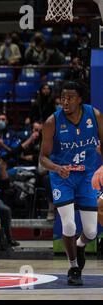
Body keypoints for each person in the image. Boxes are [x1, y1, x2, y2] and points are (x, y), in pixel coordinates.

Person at [40, 81, 101, 286]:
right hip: (62, 176)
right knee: (68, 223)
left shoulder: (95, 116)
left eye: (70, 97)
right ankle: (74, 266)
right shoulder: (52, 122)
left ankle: (80, 245)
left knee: (92, 231)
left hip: (87, 175)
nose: (65, 101)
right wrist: (57, 168)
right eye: (63, 97)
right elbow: (43, 158)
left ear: (80, 99)